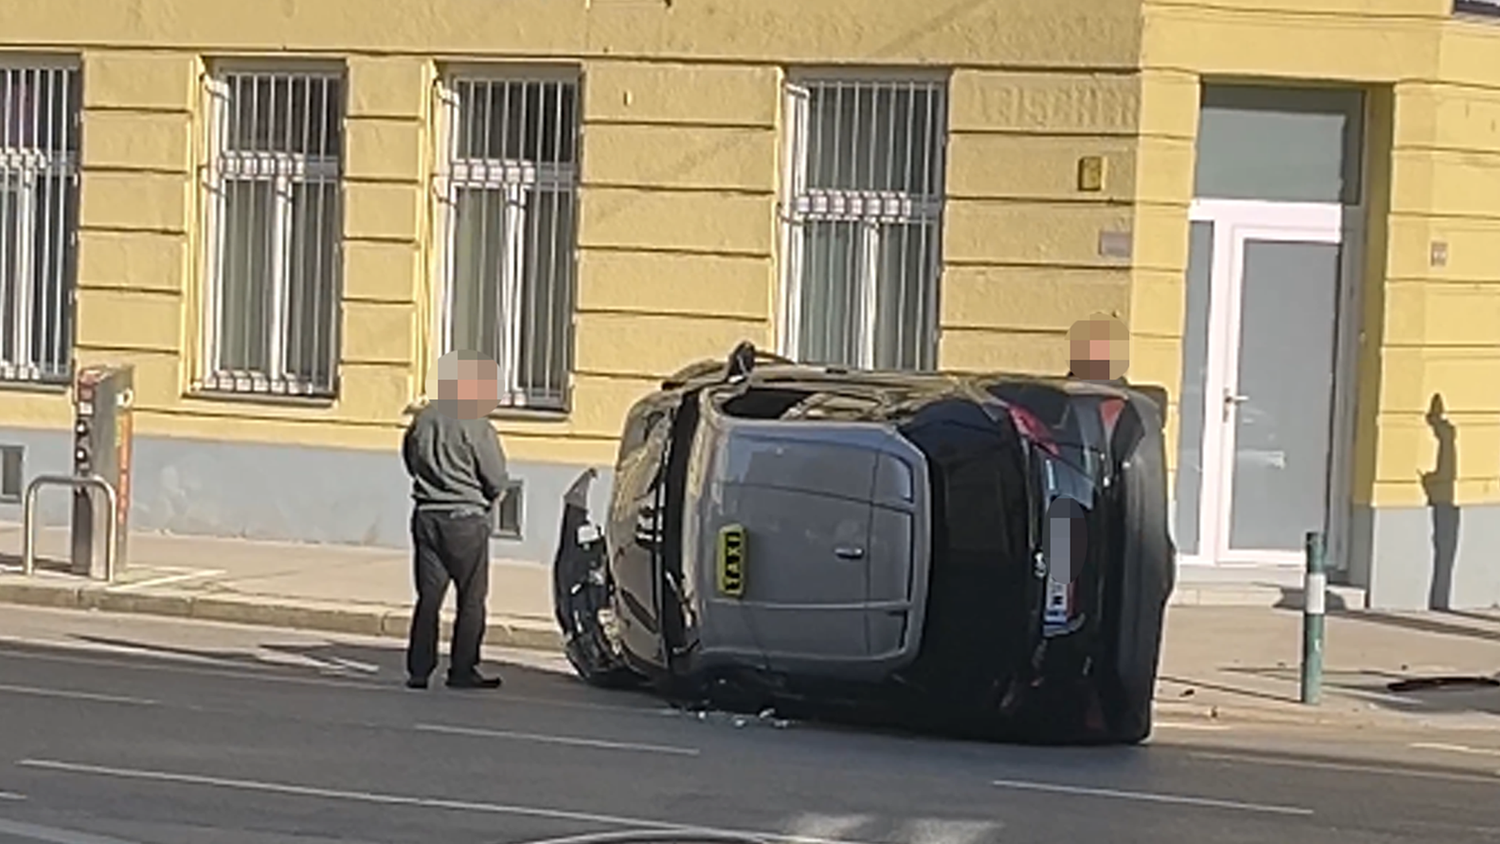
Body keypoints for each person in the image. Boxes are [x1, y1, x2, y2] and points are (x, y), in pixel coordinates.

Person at [402, 350, 509, 690]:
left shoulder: (422, 419)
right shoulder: (475, 422)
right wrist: (492, 495)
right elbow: (494, 476)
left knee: (429, 598)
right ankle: (462, 669)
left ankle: (419, 671)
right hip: (465, 519)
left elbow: (410, 459)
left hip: (426, 515)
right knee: (471, 598)